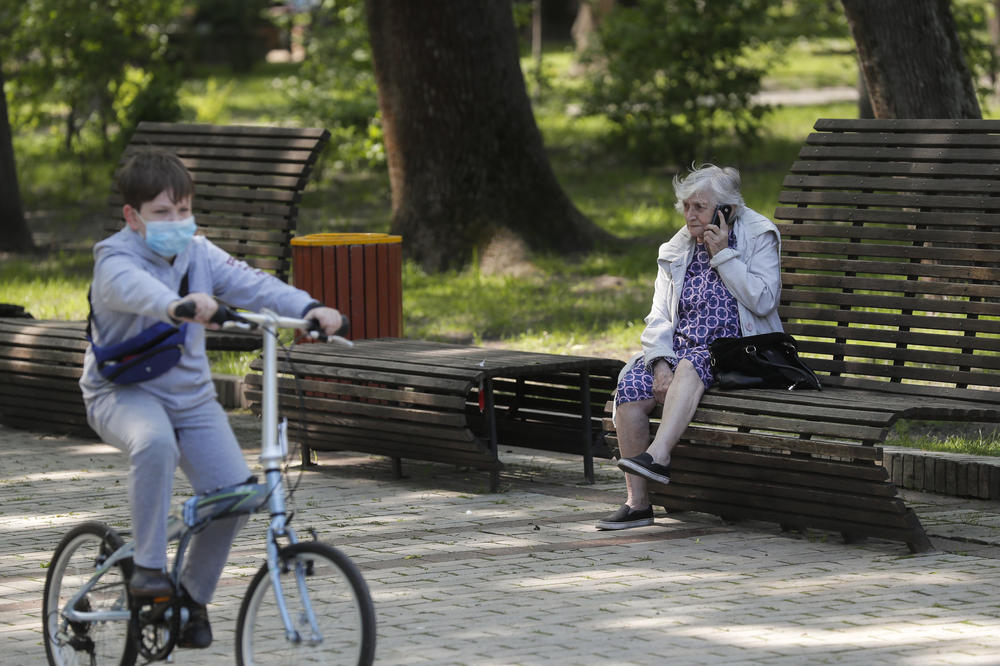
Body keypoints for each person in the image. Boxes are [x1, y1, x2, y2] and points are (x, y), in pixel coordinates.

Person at [80, 148, 343, 648]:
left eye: (183, 210)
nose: (176, 221)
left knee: (235, 495)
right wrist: (177, 305)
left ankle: (189, 596)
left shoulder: (200, 252)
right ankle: (149, 573)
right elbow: (135, 291)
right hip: (122, 393)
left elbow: (252, 283)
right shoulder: (113, 258)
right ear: (132, 217)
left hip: (192, 399)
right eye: (162, 213)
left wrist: (310, 308)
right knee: (154, 442)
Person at [596, 164, 783, 530]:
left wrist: (724, 254)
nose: (690, 215)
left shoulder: (758, 235)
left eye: (699, 207)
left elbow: (763, 302)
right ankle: (637, 504)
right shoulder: (677, 248)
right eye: (686, 206)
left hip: (737, 350)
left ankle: (659, 455)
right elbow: (659, 317)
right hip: (681, 351)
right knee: (631, 388)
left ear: (725, 210)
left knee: (693, 361)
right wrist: (659, 362)